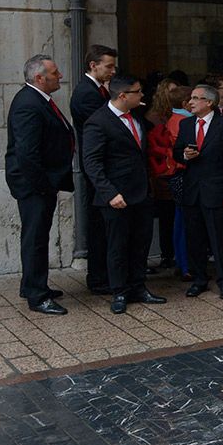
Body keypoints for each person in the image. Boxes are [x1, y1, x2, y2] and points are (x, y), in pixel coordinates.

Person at [81, 75, 167, 315]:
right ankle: (119, 291)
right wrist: (110, 193)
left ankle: (138, 286)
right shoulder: (98, 122)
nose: (142, 96)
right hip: (116, 196)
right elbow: (92, 162)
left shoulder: (136, 117)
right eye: (138, 92)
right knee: (117, 245)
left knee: (140, 243)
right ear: (122, 96)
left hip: (141, 193)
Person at [5, 55, 75, 315]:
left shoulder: (38, 100)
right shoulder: (28, 104)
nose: (60, 76)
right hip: (34, 185)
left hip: (41, 182)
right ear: (39, 78)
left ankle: (31, 284)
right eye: (55, 73)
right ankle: (37, 295)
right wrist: (44, 185)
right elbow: (26, 153)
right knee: (35, 238)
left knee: (37, 236)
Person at [173, 83, 223, 300]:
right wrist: (184, 155)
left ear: (209, 102)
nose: (190, 102)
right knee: (195, 239)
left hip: (216, 190)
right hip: (192, 190)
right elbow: (176, 153)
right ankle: (199, 279)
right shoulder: (186, 125)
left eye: (195, 98)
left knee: (219, 239)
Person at [69, 44, 117, 293]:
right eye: (108, 66)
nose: (112, 71)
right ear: (93, 65)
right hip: (98, 166)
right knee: (99, 225)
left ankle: (106, 274)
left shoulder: (99, 90)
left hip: (103, 165)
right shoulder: (87, 93)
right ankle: (99, 278)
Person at [146, 85, 192, 279]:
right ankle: (186, 264)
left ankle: (182, 262)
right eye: (194, 99)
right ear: (185, 103)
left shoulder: (172, 119)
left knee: (180, 219)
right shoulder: (184, 122)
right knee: (185, 220)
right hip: (183, 174)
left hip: (173, 176)